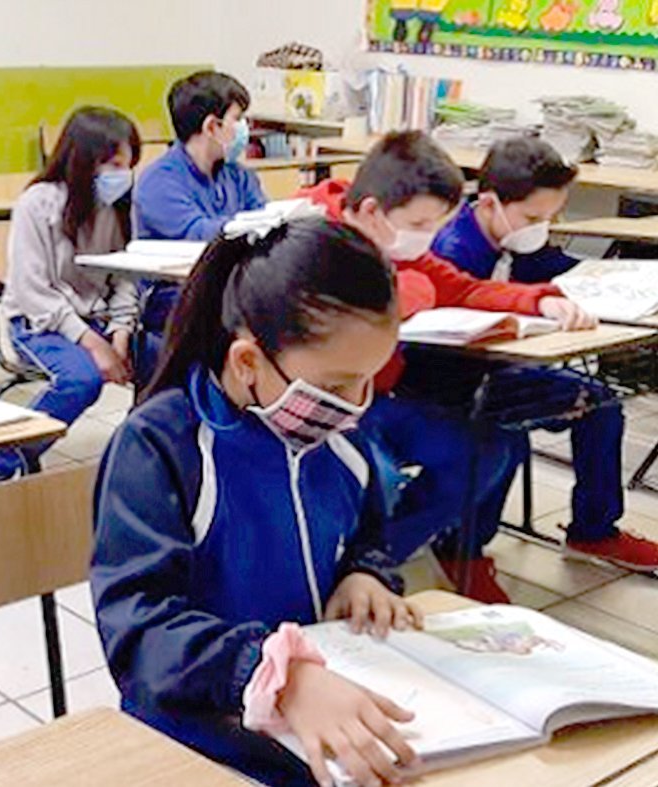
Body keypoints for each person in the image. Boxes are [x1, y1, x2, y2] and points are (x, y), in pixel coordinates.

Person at [93, 217, 421, 787]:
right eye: (337, 385)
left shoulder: (339, 437)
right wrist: (275, 675)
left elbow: (369, 533)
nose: (355, 406)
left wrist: (365, 574)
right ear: (247, 362)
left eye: (368, 380)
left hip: (322, 700)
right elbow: (139, 631)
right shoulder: (160, 446)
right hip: (199, 728)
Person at [302, 131, 658, 598]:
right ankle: (362, 564)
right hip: (334, 400)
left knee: (487, 448)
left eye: (434, 225)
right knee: (397, 469)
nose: (428, 238)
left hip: (380, 394)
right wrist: (411, 291)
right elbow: (371, 309)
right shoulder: (315, 242)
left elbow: (462, 288)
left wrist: (540, 301)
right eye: (420, 224)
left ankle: (375, 564)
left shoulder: (402, 246)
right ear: (371, 211)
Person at [0, 107, 140, 478]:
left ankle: (142, 458)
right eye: (114, 165)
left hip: (97, 319)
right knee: (82, 380)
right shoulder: (38, 203)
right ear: (85, 161)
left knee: (160, 357)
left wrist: (121, 332)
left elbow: (124, 277)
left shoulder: (117, 207)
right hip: (38, 323)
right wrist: (94, 344)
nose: (123, 176)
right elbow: (32, 291)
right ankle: (0, 462)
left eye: (128, 165)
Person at [132, 71, 266, 377]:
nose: (245, 129)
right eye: (238, 119)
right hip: (176, 299)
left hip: (232, 286)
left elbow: (264, 221)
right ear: (212, 126)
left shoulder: (239, 175)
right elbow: (199, 234)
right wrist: (250, 225)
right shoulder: (158, 181)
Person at [432, 137, 579, 284]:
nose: (541, 228)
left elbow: (544, 264)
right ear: (489, 205)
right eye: (532, 219)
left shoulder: (511, 234)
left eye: (551, 217)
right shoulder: (452, 256)